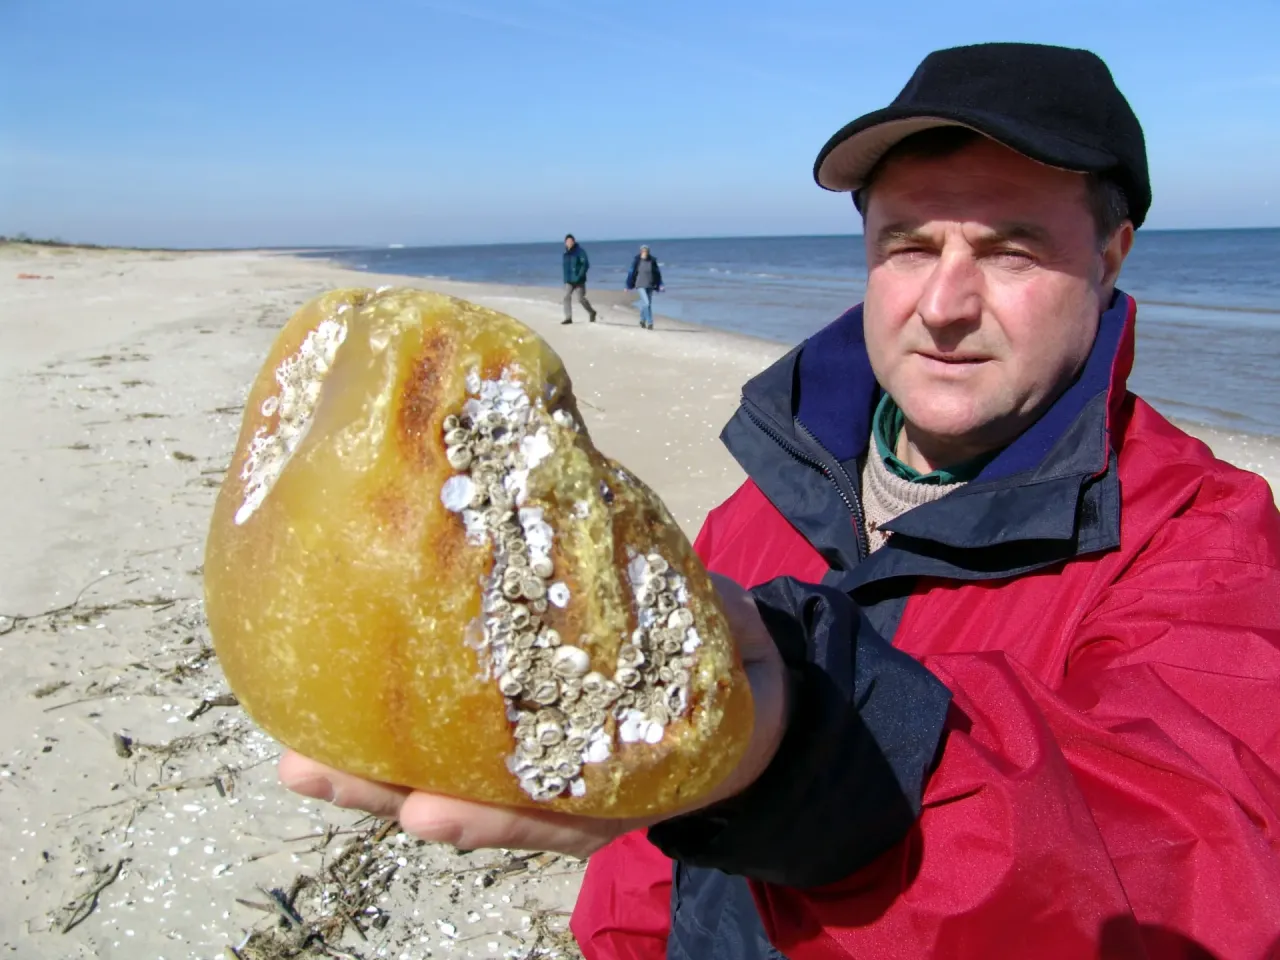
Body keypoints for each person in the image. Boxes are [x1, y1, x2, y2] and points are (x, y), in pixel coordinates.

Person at [277, 42, 1280, 959]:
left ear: (1110, 255)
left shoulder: (1201, 535)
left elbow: (1197, 868)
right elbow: (654, 856)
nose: (943, 304)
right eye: (907, 245)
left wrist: (801, 756)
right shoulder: (766, 500)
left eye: (1010, 250)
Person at [625, 244, 665, 329]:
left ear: (648, 252)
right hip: (640, 285)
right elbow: (631, 273)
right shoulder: (637, 261)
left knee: (646, 304)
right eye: (643, 251)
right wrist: (628, 285)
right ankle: (650, 323)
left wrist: (660, 284)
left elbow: (657, 274)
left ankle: (642, 320)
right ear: (640, 252)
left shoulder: (652, 261)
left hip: (650, 285)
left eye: (646, 251)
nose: (645, 253)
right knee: (646, 303)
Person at [561, 233, 598, 324]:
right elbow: (566, 268)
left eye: (570, 241)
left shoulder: (580, 252)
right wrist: (565, 279)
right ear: (565, 243)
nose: (569, 243)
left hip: (579, 280)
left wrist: (579, 275)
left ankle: (592, 312)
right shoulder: (565, 254)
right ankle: (568, 318)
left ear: (574, 242)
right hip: (569, 280)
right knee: (566, 297)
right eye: (567, 241)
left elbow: (585, 265)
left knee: (581, 299)